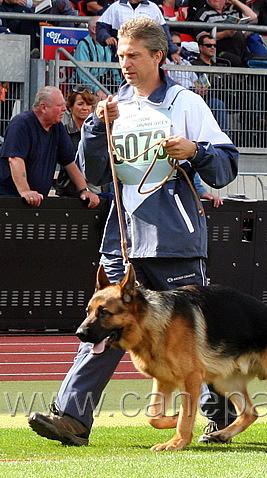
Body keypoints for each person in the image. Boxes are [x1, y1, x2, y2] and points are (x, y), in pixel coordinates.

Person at [27, 16, 239, 447]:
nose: (124, 62)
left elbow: (225, 168)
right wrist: (93, 131)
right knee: (101, 328)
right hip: (121, 240)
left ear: (158, 56)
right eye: (121, 54)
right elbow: (98, 176)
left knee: (196, 335)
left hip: (175, 240)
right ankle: (71, 418)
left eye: (133, 55)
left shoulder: (186, 103)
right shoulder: (113, 105)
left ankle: (221, 419)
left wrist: (194, 151)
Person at [0, 86, 101, 207]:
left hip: (37, 200)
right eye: (59, 105)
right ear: (43, 107)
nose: (64, 109)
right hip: (9, 199)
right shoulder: (21, 124)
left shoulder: (56, 127)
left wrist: (84, 190)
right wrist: (25, 191)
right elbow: (15, 159)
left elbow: (70, 163)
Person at [97, 0, 181, 64]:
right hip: (122, 56)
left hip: (146, 55)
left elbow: (164, 33)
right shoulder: (115, 7)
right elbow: (101, 27)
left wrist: (172, 52)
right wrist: (106, 37)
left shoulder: (153, 8)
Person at [54, 87, 103, 197]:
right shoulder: (63, 132)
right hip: (70, 191)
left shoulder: (99, 133)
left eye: (88, 104)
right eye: (80, 104)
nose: (85, 108)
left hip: (98, 190)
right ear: (70, 107)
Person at [193, 0, 259, 67]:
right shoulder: (203, 13)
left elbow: (253, 16)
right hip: (220, 51)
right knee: (236, 61)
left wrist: (235, 1)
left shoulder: (232, 12)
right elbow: (200, 37)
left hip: (241, 50)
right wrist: (224, 34)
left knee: (257, 60)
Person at [74, 16, 122, 97]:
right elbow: (83, 74)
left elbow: (114, 71)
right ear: (94, 29)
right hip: (85, 88)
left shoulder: (108, 44)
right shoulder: (84, 45)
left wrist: (121, 87)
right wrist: (96, 90)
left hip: (106, 86)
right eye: (102, 28)